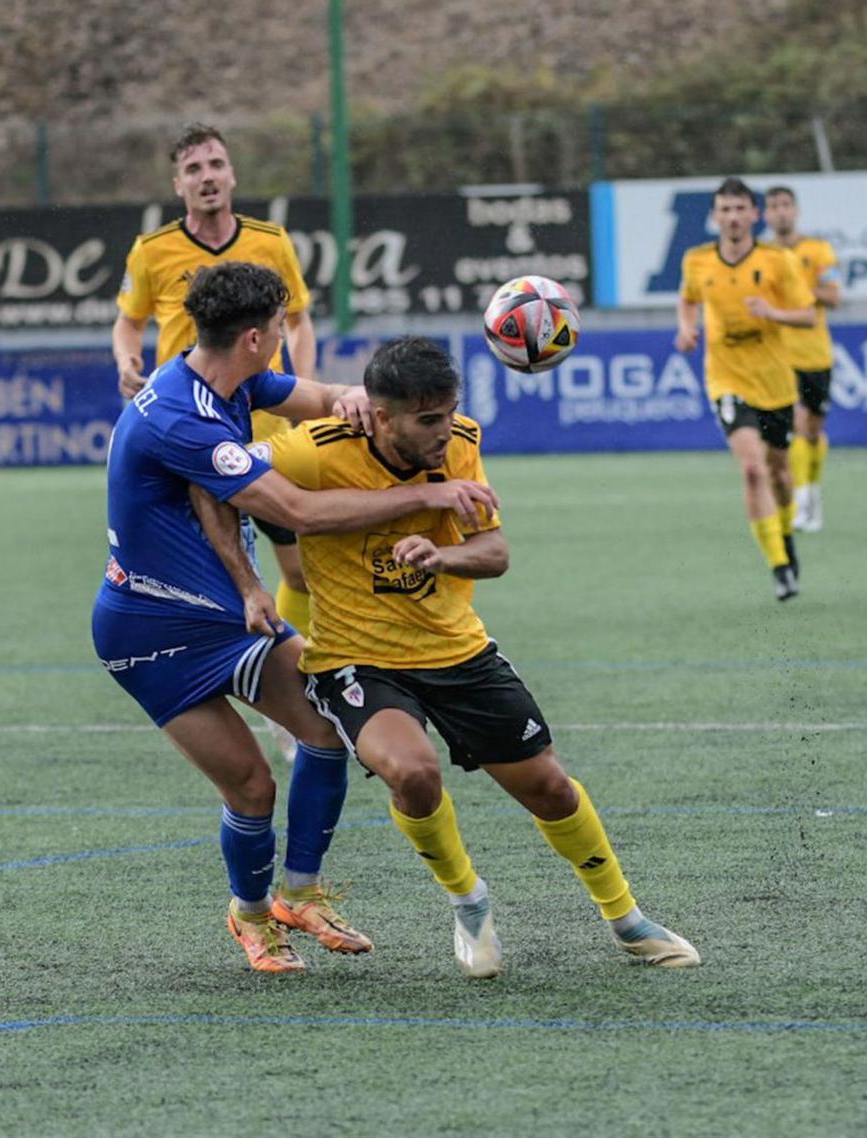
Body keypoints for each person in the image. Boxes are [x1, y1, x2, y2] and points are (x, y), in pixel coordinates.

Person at [199, 336, 700, 979]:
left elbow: (495, 552)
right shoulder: (314, 450)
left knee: (549, 788)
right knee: (413, 772)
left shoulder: (462, 440)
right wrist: (246, 581)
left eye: (448, 413)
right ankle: (469, 900)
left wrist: (443, 555)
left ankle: (627, 919)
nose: (443, 431)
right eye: (426, 419)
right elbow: (212, 480)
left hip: (457, 650)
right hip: (357, 658)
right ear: (381, 416)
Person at [92, 263, 499, 974]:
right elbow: (300, 512)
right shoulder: (181, 420)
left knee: (324, 729)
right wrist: (423, 500)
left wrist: (363, 403)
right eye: (281, 329)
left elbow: (319, 395)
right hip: (153, 634)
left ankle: (301, 894)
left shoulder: (231, 378)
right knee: (252, 784)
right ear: (254, 337)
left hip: (229, 618)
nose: (286, 338)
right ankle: (250, 917)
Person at [112, 123, 316, 760]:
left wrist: (300, 390)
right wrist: (126, 358)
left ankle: (288, 687)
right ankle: (261, 686)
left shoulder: (270, 242)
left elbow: (301, 319)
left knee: (297, 571)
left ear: (232, 175)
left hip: (258, 425)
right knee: (213, 570)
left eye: (216, 164)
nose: (206, 176)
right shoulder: (152, 252)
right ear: (178, 184)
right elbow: (129, 319)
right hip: (188, 436)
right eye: (194, 167)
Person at [675, 177, 816, 601]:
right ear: (715, 216)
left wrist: (771, 311)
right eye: (725, 210)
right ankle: (778, 568)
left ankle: (786, 538)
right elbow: (688, 299)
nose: (733, 218)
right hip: (726, 378)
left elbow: (808, 316)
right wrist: (686, 328)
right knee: (752, 469)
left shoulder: (777, 261)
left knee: (779, 472)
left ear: (755, 215)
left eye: (741, 209)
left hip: (774, 381)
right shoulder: (697, 260)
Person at [764, 186, 842, 533]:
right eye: (774, 206)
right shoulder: (762, 256)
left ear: (795, 211)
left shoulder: (819, 250)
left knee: (813, 430)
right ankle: (799, 499)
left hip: (815, 353)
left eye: (786, 205)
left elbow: (833, 295)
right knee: (795, 425)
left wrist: (798, 292)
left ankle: (811, 493)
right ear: (765, 214)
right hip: (780, 355)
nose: (780, 212)